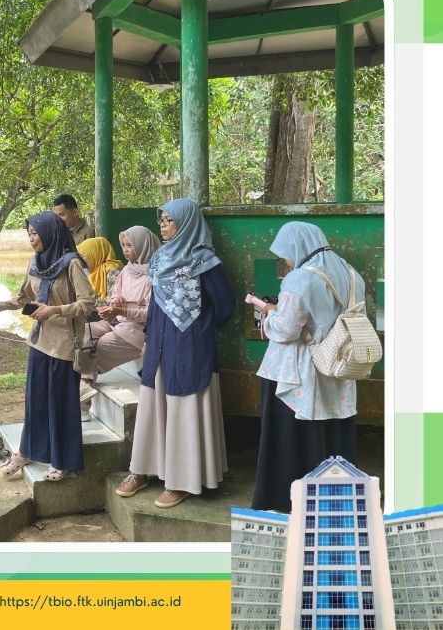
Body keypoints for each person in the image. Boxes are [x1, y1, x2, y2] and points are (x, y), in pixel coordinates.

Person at [115, 198, 235, 508]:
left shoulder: (204, 260)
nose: (163, 226)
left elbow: (225, 306)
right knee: (153, 403)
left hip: (189, 344)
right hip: (158, 341)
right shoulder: (159, 258)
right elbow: (155, 302)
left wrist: (197, 329)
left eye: (169, 220)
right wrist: (149, 336)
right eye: (162, 220)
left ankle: (182, 480)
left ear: (187, 223)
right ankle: (143, 470)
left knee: (184, 404)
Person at [249, 222, 363, 513]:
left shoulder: (300, 278)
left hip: (298, 370)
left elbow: (286, 329)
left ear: (298, 246)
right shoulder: (351, 273)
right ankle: (335, 501)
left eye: (286, 253)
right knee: (332, 432)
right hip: (338, 364)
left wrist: (269, 316)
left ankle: (286, 500)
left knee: (291, 436)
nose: (286, 260)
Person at [0, 211, 95, 481]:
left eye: (35, 233)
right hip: (39, 342)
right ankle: (29, 451)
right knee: (36, 402)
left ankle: (62, 460)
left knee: (60, 405)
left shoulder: (71, 263)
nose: (31, 239)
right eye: (29, 234)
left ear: (50, 232)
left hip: (64, 346)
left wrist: (54, 310)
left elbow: (88, 303)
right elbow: (24, 297)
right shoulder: (36, 261)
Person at [78, 227, 161, 413]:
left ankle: (82, 403)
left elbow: (152, 314)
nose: (125, 249)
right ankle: (84, 388)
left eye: (129, 245)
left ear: (143, 246)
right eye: (123, 245)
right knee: (83, 333)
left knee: (99, 346)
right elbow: (116, 294)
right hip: (117, 321)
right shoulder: (127, 270)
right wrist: (115, 303)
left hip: (138, 330)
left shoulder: (154, 275)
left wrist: (121, 310)